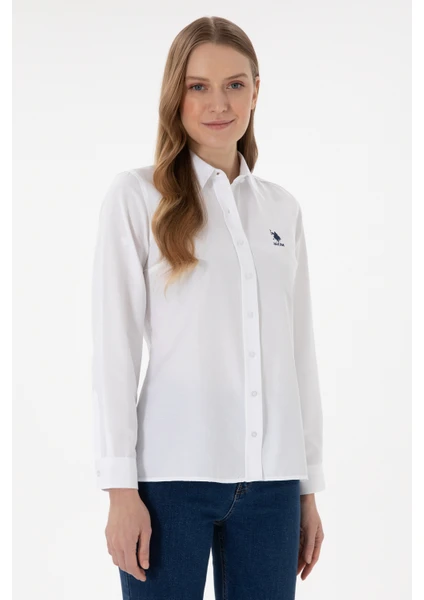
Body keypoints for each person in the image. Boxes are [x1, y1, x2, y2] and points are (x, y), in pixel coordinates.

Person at [91, 15, 325, 600]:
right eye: (199, 86)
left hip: (273, 484)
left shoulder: (282, 210)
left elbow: (298, 353)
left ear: (256, 90)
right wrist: (120, 489)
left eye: (235, 84)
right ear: (176, 94)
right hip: (169, 483)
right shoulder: (136, 197)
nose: (219, 103)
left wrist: (307, 488)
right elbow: (114, 352)